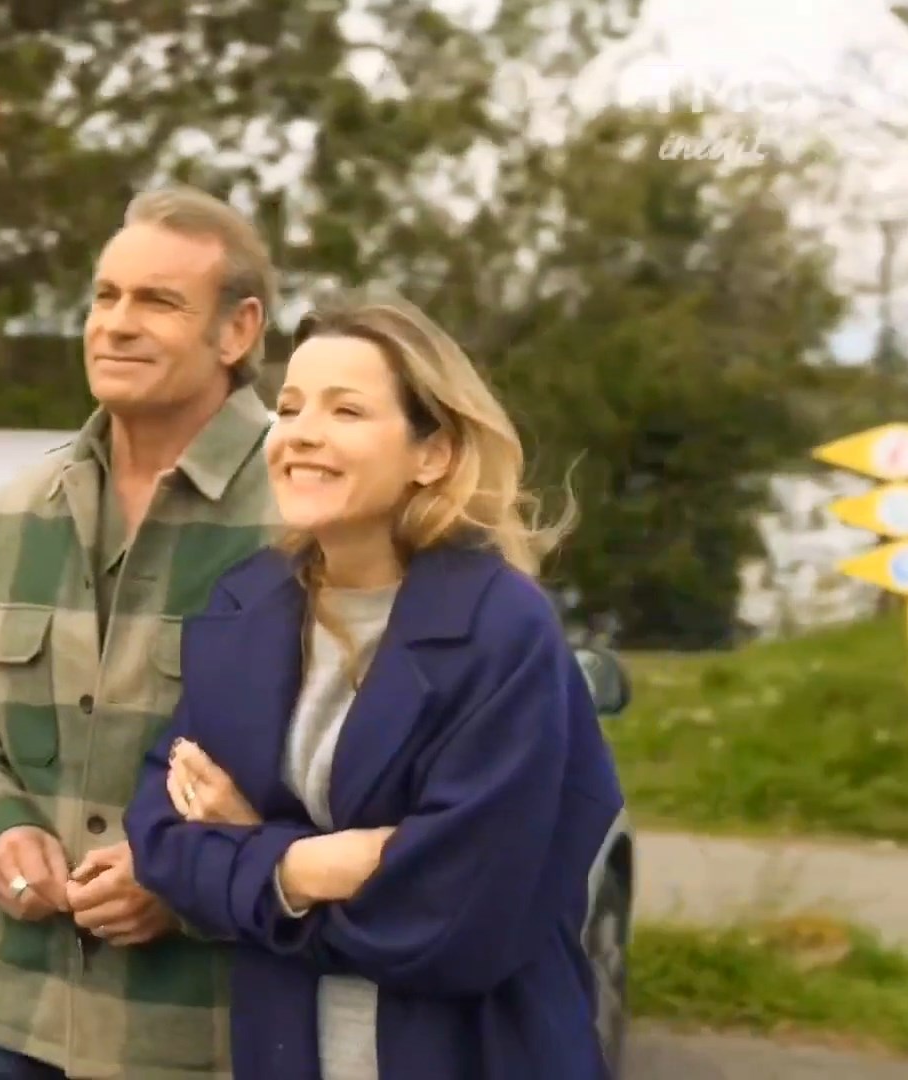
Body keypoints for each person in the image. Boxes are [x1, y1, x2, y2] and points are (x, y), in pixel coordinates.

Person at [123, 292, 625, 1080]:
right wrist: (302, 868)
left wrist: (248, 858)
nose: (301, 433)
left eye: (346, 410)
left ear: (433, 454)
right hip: (287, 1050)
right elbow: (161, 837)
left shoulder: (503, 629)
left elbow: (455, 919)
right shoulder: (247, 606)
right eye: (290, 407)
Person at [0, 184, 283, 1078]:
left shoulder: (304, 517)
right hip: (14, 1025)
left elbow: (355, 776)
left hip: (206, 1042)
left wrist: (186, 882)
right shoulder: (19, 511)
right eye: (105, 297)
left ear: (237, 331)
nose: (116, 325)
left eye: (158, 302)